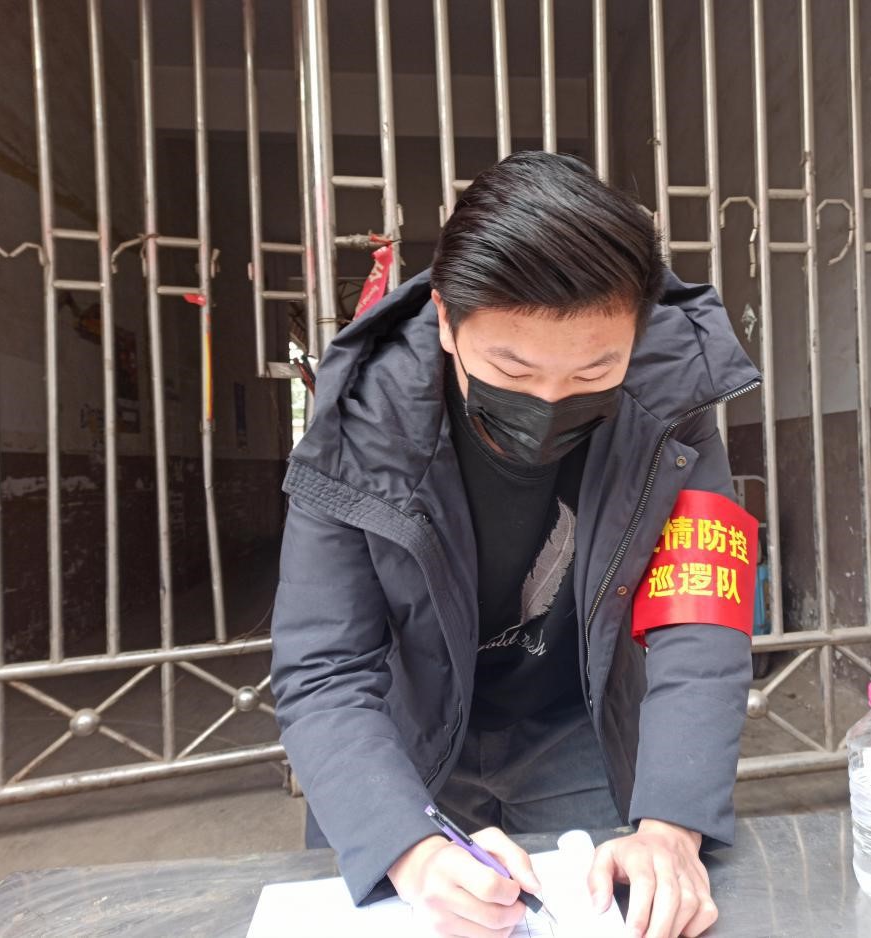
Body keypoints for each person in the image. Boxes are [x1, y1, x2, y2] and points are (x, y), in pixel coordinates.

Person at [271, 151, 761, 938]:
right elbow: (324, 663)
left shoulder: (672, 400)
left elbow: (699, 616)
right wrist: (410, 852)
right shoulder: (361, 423)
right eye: (511, 367)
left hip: (576, 728)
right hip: (401, 740)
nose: (549, 401)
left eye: (594, 371)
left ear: (637, 334)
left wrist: (671, 825)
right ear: (445, 319)